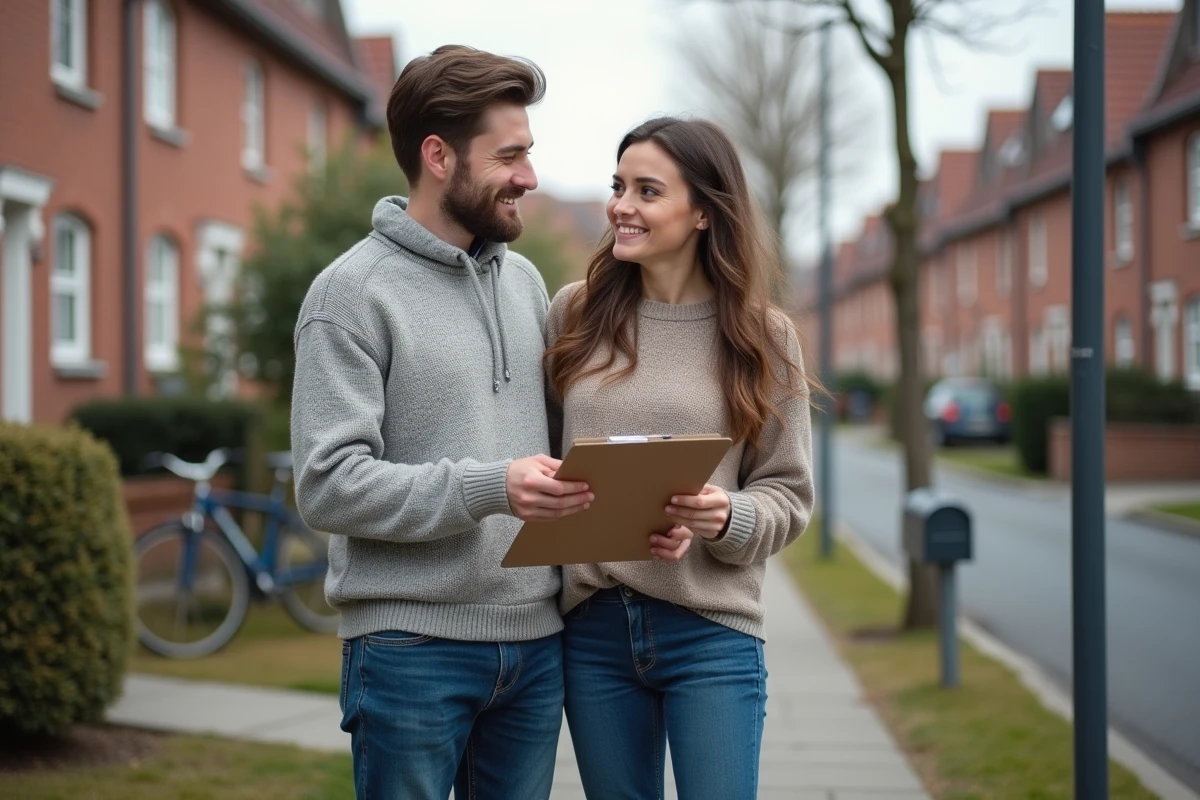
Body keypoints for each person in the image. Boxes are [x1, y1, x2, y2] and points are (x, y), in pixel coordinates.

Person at [290, 45, 593, 800]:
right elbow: (328, 486)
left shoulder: (524, 282)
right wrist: (492, 487)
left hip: (533, 645)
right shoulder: (351, 295)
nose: (527, 176)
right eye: (510, 155)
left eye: (529, 153)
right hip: (408, 648)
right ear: (438, 156)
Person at [543, 116, 817, 799]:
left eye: (646, 190)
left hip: (711, 630)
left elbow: (789, 494)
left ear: (701, 211)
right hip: (594, 632)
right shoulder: (574, 315)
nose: (620, 207)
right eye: (617, 186)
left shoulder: (764, 337)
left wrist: (726, 517)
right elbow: (540, 459)